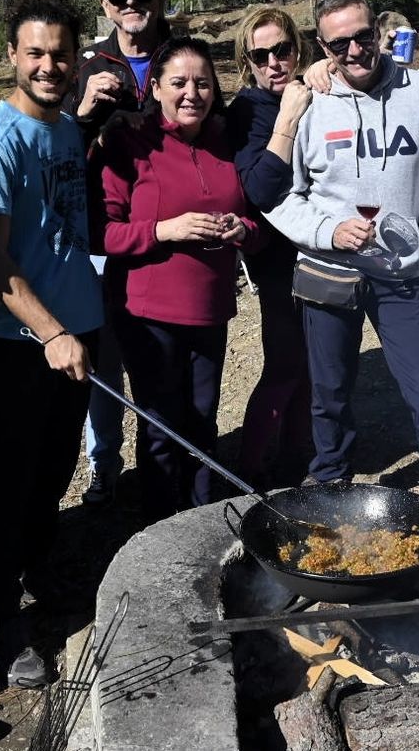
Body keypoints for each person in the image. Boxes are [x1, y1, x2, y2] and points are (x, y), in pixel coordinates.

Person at [265, 0, 419, 505]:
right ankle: (330, 479)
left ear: (380, 31)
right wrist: (327, 232)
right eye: (338, 44)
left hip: (398, 274)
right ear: (321, 46)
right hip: (328, 272)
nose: (353, 51)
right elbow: (281, 194)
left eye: (362, 36)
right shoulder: (308, 102)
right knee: (328, 393)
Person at [0, 0, 103, 688]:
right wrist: (49, 332)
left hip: (78, 333)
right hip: (22, 341)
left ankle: (42, 571)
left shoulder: (68, 130)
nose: (50, 65)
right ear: (13, 56)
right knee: (8, 484)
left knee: (52, 472)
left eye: (61, 53)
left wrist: (75, 329)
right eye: (36, 53)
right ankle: (4, 617)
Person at [99, 37, 258, 519]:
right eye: (180, 82)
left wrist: (241, 229)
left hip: (210, 308)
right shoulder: (131, 141)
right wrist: (164, 230)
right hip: (148, 312)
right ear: (156, 88)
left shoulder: (226, 138)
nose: (192, 93)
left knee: (203, 419)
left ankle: (202, 521)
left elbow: (254, 219)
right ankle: (159, 529)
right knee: (161, 427)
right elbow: (101, 232)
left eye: (203, 82)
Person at [63, 0, 168, 505]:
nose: (131, 3)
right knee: (104, 359)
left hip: (167, 227)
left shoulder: (181, 54)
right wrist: (85, 111)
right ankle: (105, 462)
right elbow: (58, 146)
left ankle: (164, 455)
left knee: (159, 354)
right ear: (105, 3)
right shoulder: (85, 63)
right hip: (103, 231)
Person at [228, 8, 314, 485]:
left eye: (282, 50)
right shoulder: (247, 111)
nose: (273, 63)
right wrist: (287, 119)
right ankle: (252, 469)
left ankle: (297, 457)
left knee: (310, 367)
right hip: (278, 258)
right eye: (260, 55)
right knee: (283, 364)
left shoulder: (311, 90)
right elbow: (258, 188)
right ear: (248, 62)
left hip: (324, 251)